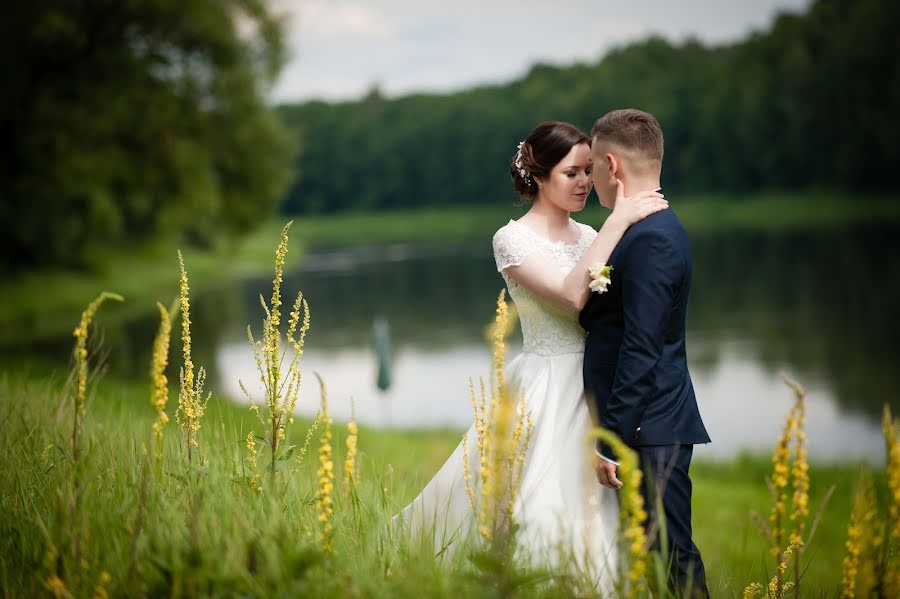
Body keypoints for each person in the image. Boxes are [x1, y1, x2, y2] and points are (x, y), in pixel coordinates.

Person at [392, 120, 667, 591]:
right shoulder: (512, 239)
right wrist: (620, 218)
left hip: (594, 384)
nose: (585, 182)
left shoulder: (589, 234)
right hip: (544, 383)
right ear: (539, 177)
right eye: (571, 173)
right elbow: (570, 296)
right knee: (538, 503)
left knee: (595, 508)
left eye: (588, 171)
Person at [580, 108, 711, 598]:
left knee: (673, 558)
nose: (590, 177)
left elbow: (642, 346)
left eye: (592, 166)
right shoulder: (638, 229)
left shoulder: (651, 238)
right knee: (652, 560)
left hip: (651, 427)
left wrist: (610, 437)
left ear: (611, 166)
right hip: (645, 423)